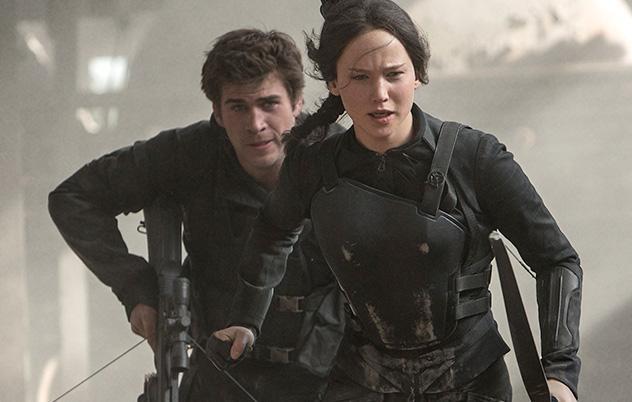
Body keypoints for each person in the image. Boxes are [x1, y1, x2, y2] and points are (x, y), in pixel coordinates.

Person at [213, 1, 583, 401]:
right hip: (361, 380)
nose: (380, 95)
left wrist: (559, 373)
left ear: (417, 74)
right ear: (334, 82)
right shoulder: (313, 165)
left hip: (470, 382)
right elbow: (272, 231)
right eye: (359, 77)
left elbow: (556, 260)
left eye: (394, 75)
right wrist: (247, 319)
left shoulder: (475, 157)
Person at [48, 28, 345, 402]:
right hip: (221, 381)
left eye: (269, 104)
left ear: (297, 102)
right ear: (217, 112)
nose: (255, 124)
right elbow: (75, 197)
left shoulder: (342, 159)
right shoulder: (192, 153)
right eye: (238, 107)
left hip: (334, 382)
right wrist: (137, 288)